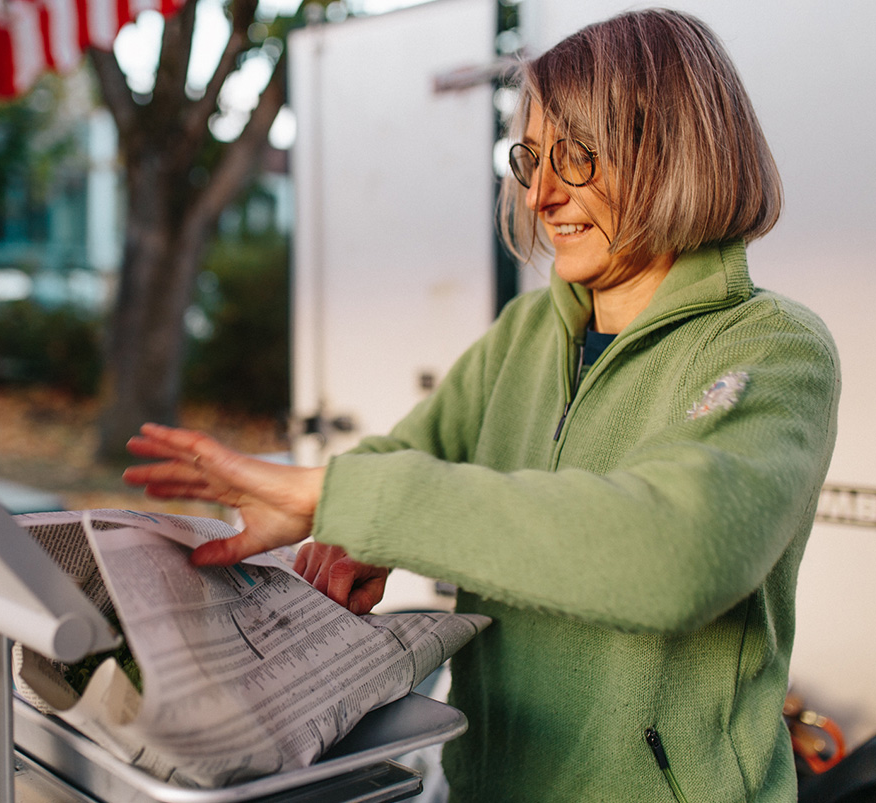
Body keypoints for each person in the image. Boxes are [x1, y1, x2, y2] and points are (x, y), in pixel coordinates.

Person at [123, 8, 840, 802]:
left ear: (675, 150)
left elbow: (679, 554)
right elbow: (404, 456)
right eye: (530, 158)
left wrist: (341, 496)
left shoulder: (772, 347)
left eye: (576, 158)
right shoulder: (530, 330)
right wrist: (348, 530)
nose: (539, 194)